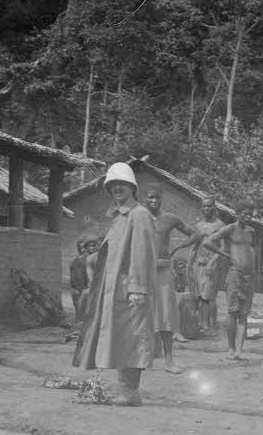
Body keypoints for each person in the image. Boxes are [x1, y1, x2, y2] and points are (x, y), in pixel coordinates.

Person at [72, 163, 159, 406]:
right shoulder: (119, 216)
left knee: (133, 337)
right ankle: (125, 390)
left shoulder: (139, 214)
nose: (117, 188)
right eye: (113, 185)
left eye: (122, 184)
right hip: (115, 289)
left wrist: (138, 288)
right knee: (121, 337)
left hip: (131, 290)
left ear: (132, 187)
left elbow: (142, 253)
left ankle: (131, 392)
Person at [142, 184, 197, 373]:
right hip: (142, 272)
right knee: (142, 314)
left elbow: (195, 234)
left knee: (165, 316)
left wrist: (176, 249)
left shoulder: (169, 218)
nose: (154, 201)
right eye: (150, 197)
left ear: (161, 199)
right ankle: (144, 359)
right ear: (144, 199)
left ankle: (169, 361)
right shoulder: (138, 217)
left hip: (164, 271)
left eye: (157, 197)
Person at [203, 204, 260, 361]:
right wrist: (225, 254)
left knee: (244, 314)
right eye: (245, 213)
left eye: (250, 214)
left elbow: (252, 249)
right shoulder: (229, 229)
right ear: (237, 213)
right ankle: (231, 349)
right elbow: (207, 242)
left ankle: (239, 351)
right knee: (233, 312)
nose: (247, 217)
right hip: (235, 274)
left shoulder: (251, 231)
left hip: (250, 276)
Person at [189, 199, 228, 333]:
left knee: (207, 296)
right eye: (204, 206)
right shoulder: (198, 226)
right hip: (199, 264)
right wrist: (190, 264)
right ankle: (202, 324)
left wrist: (213, 261)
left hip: (212, 265)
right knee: (199, 296)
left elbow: (223, 247)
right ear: (201, 208)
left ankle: (207, 325)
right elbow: (194, 246)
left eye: (209, 206)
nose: (206, 209)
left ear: (214, 208)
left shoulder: (220, 225)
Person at [69, 239, 92, 323]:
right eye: (80, 247)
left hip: (83, 288)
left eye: (83, 247)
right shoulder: (75, 260)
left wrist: (84, 287)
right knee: (78, 308)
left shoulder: (88, 259)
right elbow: (74, 274)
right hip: (76, 288)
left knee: (84, 309)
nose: (82, 250)